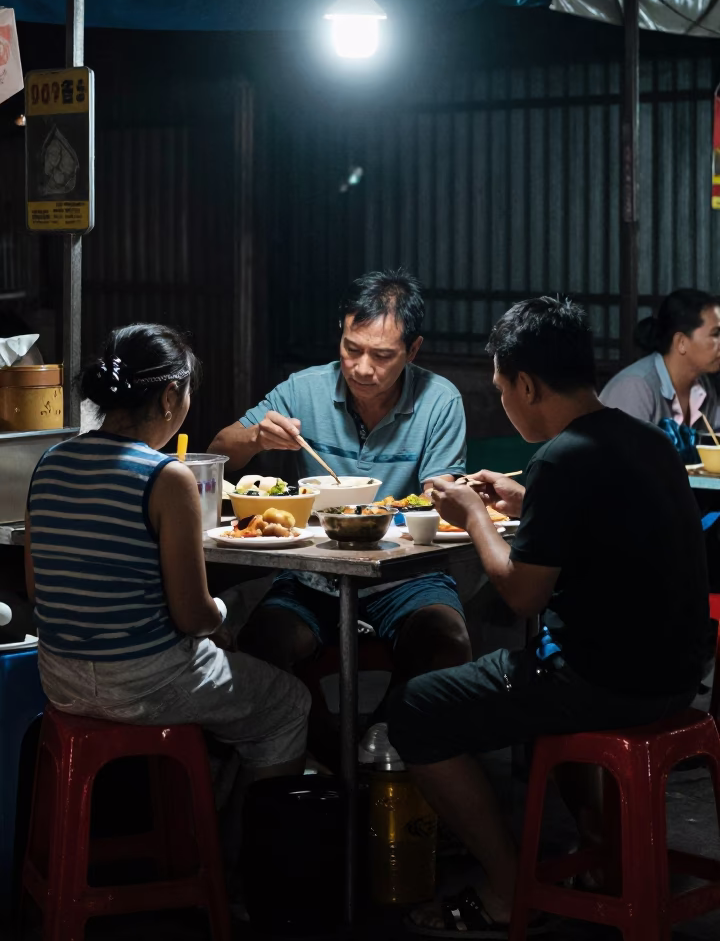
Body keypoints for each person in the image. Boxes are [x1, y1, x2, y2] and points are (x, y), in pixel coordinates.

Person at [388, 296, 708, 935]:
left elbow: (522, 595)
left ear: (527, 386)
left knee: (415, 709)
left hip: (604, 683)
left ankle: (507, 891)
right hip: (679, 676)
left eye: (502, 388)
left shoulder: (561, 457)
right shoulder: (645, 441)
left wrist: (474, 516)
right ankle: (596, 851)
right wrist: (526, 499)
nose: (504, 400)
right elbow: (600, 521)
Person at [25, 323, 310, 881]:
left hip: (60, 680)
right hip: (143, 683)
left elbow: (39, 591)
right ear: (170, 395)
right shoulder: (165, 476)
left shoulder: (51, 461)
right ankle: (245, 877)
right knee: (287, 705)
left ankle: (199, 834)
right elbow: (192, 615)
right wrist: (221, 617)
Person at [209, 269, 472, 690]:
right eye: (352, 349)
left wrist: (441, 498)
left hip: (408, 575)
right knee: (262, 645)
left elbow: (439, 497)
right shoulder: (304, 389)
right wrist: (257, 437)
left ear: (413, 350)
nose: (362, 368)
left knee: (446, 644)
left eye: (382, 356)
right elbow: (220, 448)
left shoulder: (439, 400)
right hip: (312, 573)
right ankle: (319, 733)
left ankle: (390, 727)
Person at [600, 288, 720, 461]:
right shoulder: (635, 387)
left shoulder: (705, 387)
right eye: (715, 334)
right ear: (681, 342)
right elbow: (618, 465)